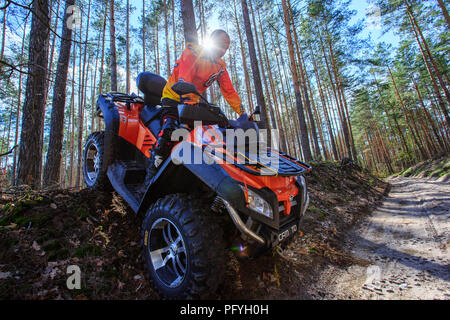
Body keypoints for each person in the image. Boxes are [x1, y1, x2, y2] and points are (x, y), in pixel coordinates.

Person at [147, 29, 244, 178]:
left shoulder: (220, 66)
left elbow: (229, 91)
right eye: (221, 44)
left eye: (226, 46)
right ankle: (152, 171)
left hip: (192, 103)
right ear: (211, 40)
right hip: (173, 96)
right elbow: (185, 78)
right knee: (169, 131)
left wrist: (242, 113)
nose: (223, 49)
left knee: (209, 136)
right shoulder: (192, 52)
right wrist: (187, 99)